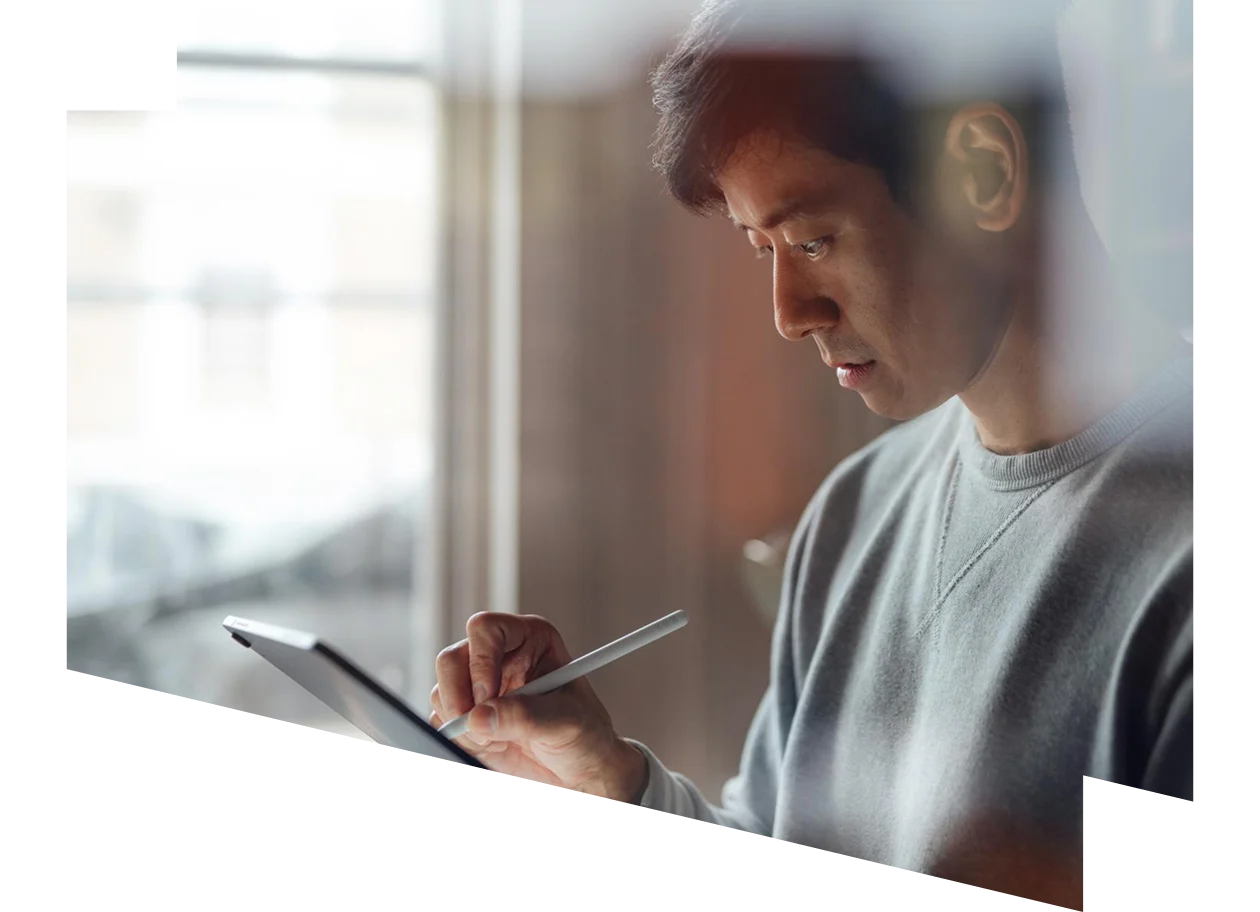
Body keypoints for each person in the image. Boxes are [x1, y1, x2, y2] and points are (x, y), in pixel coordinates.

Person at [430, 1, 1198, 906]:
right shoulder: (857, 510)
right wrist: (610, 779)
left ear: (984, 173)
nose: (790, 311)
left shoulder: (1179, 561)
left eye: (812, 240)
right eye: (763, 249)